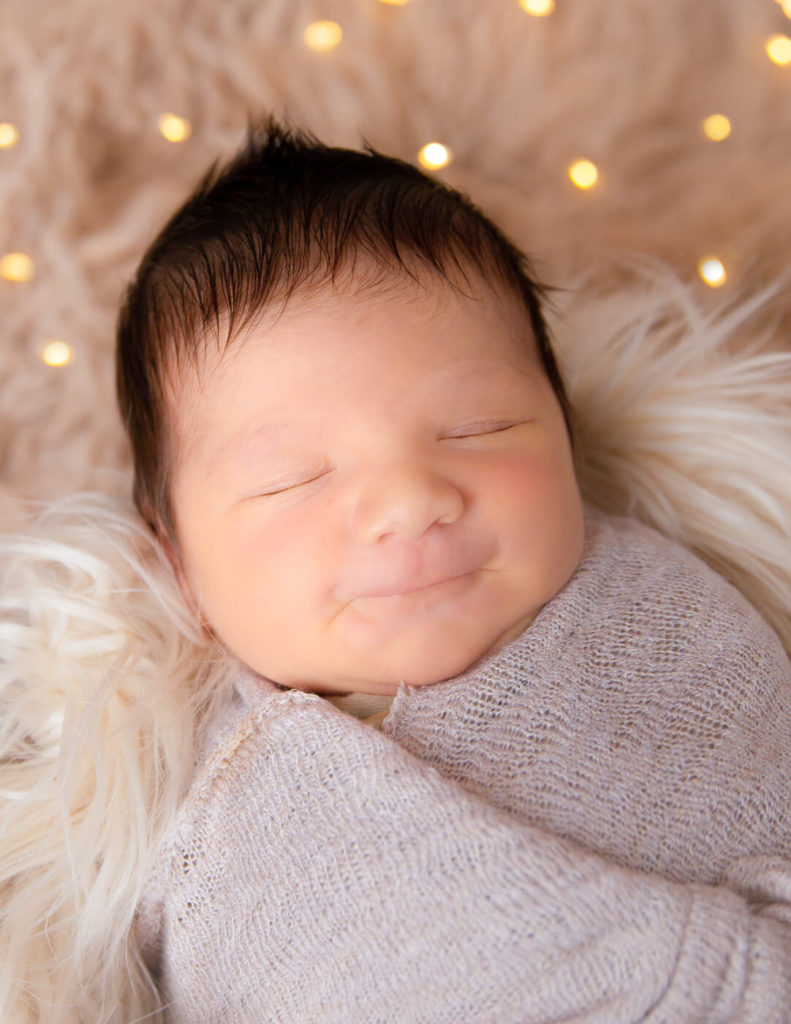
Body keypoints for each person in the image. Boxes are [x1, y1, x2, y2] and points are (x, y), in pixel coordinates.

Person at [115, 119, 791, 1021]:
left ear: (565, 433)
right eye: (292, 478)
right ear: (178, 566)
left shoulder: (668, 634)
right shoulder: (155, 793)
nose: (407, 499)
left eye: (478, 428)